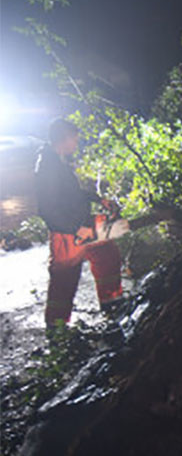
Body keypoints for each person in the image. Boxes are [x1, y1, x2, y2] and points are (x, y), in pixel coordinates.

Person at [34, 118, 124, 327]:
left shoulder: (57, 160)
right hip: (68, 234)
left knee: (107, 254)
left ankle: (113, 304)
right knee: (64, 280)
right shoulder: (47, 167)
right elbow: (47, 209)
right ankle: (57, 328)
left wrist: (98, 199)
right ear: (64, 139)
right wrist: (76, 229)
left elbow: (72, 194)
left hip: (80, 226)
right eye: (74, 139)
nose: (76, 143)